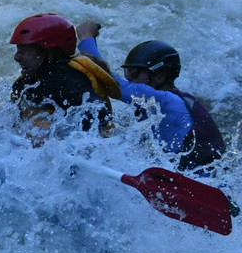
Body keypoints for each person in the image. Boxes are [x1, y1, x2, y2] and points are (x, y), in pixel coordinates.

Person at [75, 21, 225, 170]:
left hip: (205, 180)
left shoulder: (168, 102)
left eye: (134, 72)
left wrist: (86, 37)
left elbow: (111, 82)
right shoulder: (155, 106)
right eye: (127, 72)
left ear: (159, 76)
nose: (129, 78)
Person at [9, 13, 120, 143]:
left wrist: (57, 134)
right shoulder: (26, 82)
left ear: (49, 51)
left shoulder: (65, 79)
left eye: (24, 50)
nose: (17, 57)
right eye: (18, 50)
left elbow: (99, 113)